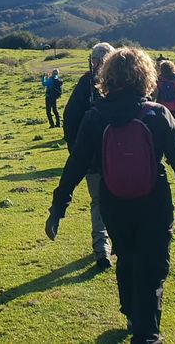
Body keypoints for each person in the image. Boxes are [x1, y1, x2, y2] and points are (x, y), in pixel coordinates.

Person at [45, 47, 175, 343]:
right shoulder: (157, 114)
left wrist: (59, 206)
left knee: (126, 257)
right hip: (154, 200)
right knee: (153, 265)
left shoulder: (94, 117)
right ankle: (147, 333)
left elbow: (76, 164)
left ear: (107, 77)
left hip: (113, 200)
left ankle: (131, 312)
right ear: (145, 77)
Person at [62, 42, 116, 268]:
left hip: (92, 159)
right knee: (122, 198)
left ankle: (102, 247)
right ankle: (121, 240)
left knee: (98, 202)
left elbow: (69, 119)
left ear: (93, 61)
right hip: (120, 156)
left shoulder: (85, 84)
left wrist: (78, 151)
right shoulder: (122, 82)